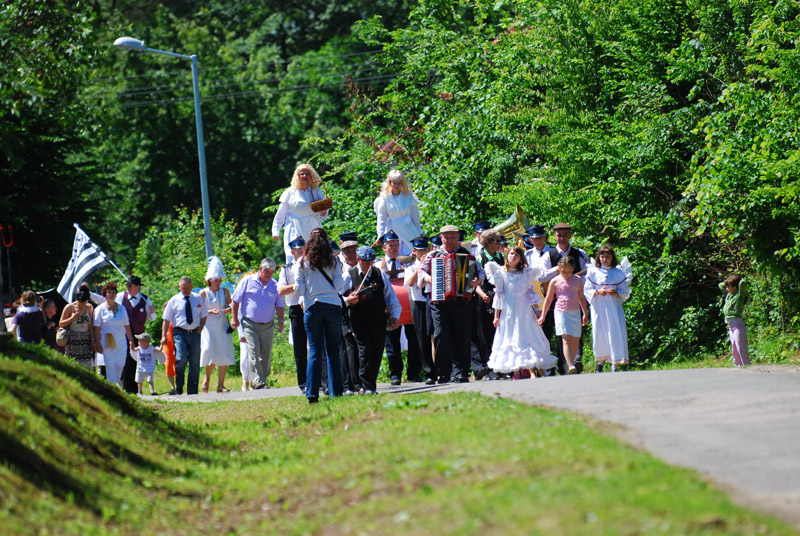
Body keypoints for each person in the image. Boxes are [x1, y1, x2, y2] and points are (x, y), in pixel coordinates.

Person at [418, 225, 484, 383]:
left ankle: (461, 372)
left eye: (453, 237)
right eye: (447, 237)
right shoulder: (434, 254)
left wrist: (477, 280)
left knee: (462, 336)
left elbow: (480, 271)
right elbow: (421, 271)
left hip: (462, 301)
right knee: (441, 336)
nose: (450, 240)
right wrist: (429, 279)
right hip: (439, 302)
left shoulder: (465, 254)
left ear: (457, 238)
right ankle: (444, 373)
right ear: (441, 238)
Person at [486, 246, 557, 377]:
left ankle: (535, 367)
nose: (513, 256)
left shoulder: (526, 273)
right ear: (507, 256)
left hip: (524, 309)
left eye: (517, 255)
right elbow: (500, 295)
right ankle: (516, 370)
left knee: (528, 335)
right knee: (511, 336)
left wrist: (536, 309)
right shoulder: (501, 272)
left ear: (520, 259)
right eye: (511, 254)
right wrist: (496, 316)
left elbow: (530, 292)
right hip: (509, 310)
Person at [292, 228, 345, 403]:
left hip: (312, 307)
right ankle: (335, 392)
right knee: (332, 351)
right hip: (332, 306)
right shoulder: (334, 260)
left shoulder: (302, 262)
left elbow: (298, 289)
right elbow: (339, 285)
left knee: (314, 351)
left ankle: (312, 393)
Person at [344, 246, 402, 394]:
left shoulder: (379, 274)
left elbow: (390, 297)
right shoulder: (349, 275)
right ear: (358, 260)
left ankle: (371, 385)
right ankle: (365, 386)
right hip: (359, 320)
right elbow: (339, 297)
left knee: (376, 351)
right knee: (364, 352)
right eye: (365, 261)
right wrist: (349, 299)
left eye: (370, 261)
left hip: (378, 319)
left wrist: (395, 315)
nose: (368, 265)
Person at [538, 222, 588, 374]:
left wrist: (575, 280)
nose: (562, 237)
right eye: (559, 235)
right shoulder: (548, 255)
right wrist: (559, 269)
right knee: (560, 334)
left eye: (566, 234)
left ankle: (575, 361)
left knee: (575, 333)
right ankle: (563, 365)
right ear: (554, 236)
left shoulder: (580, 253)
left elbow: (587, 273)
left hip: (575, 297)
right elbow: (541, 276)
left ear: (570, 235)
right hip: (555, 299)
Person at [231, 259, 284, 390]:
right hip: (250, 323)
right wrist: (234, 319)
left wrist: (281, 321)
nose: (269, 274)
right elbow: (235, 300)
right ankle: (257, 380)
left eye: (272, 272)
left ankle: (263, 379)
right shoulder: (247, 281)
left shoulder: (275, 285)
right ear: (260, 269)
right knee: (253, 351)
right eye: (266, 271)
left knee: (265, 353)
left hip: (268, 324)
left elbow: (280, 305)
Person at [377, 230, 421, 385]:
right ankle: (395, 375)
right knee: (392, 344)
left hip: (409, 308)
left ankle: (414, 373)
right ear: (384, 248)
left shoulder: (407, 262)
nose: (394, 248)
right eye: (390, 246)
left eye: (396, 245)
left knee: (414, 341)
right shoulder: (378, 265)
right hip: (390, 310)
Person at [584, 245, 631, 372]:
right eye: (602, 256)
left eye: (607, 257)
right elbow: (587, 290)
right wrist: (598, 291)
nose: (604, 259)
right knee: (600, 333)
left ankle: (615, 363)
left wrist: (615, 292)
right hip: (599, 307)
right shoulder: (593, 272)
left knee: (614, 332)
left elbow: (625, 291)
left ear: (612, 258)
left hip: (613, 309)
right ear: (599, 257)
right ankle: (600, 362)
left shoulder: (618, 273)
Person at [271, 163, 329, 261]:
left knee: (315, 254)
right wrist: (276, 230)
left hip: (312, 225)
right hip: (295, 226)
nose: (304, 176)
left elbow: (324, 213)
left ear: (311, 176)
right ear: (297, 176)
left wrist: (323, 211)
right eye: (302, 174)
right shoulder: (290, 192)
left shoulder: (317, 191)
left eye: (307, 174)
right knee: (294, 255)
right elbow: (281, 213)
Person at [161, 277, 207, 395]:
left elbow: (204, 315)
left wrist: (201, 326)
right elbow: (166, 319)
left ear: (191, 287)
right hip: (179, 333)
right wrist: (164, 336)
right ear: (179, 287)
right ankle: (179, 385)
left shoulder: (197, 298)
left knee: (194, 362)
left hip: (195, 333)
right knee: (180, 359)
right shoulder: (174, 300)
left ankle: (192, 391)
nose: (186, 290)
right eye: (183, 287)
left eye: (188, 287)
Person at [471, 229, 505, 380]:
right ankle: (490, 369)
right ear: (489, 243)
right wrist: (483, 294)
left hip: (501, 299)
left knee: (501, 333)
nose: (500, 243)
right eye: (497, 241)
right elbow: (474, 281)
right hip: (485, 299)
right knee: (486, 334)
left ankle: (502, 367)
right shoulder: (479, 258)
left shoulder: (502, 257)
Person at [277, 238, 309, 393]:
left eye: (304, 249)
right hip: (296, 309)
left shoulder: (310, 266)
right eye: (299, 250)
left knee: (316, 345)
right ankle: (303, 382)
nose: (302, 252)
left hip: (311, 306)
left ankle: (321, 379)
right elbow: (281, 291)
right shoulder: (287, 269)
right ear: (292, 252)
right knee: (300, 348)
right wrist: (297, 286)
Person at [200, 257, 236, 393]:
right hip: (209, 326)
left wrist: (229, 309)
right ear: (209, 280)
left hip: (222, 325)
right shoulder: (203, 293)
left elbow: (231, 304)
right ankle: (207, 377)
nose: (218, 282)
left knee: (224, 352)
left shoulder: (224, 291)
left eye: (220, 280)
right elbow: (198, 310)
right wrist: (209, 311)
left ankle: (221, 384)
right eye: (216, 280)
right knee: (210, 350)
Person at [524, 224, 557, 374]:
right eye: (535, 238)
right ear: (530, 239)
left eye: (541, 238)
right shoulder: (527, 256)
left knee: (554, 331)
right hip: (535, 298)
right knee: (539, 333)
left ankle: (557, 364)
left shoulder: (552, 252)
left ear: (545, 237)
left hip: (554, 294)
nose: (538, 241)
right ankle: (541, 366)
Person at [405, 235, 436, 384]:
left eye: (425, 249)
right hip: (418, 303)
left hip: (431, 301)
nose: (423, 252)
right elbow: (410, 283)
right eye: (419, 250)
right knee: (422, 338)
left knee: (436, 336)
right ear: (414, 251)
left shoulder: (433, 263)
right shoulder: (410, 266)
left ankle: (440, 368)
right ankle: (429, 372)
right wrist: (419, 267)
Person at [118, 275, 157, 394]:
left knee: (137, 361)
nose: (127, 288)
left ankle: (135, 389)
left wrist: (152, 312)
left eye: (130, 285)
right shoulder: (121, 297)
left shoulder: (145, 299)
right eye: (127, 285)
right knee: (125, 360)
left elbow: (152, 318)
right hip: (123, 334)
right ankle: (125, 386)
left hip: (139, 335)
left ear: (137, 287)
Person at [93, 282, 135, 388]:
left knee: (120, 363)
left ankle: (115, 382)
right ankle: (112, 386)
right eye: (108, 293)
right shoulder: (100, 309)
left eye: (113, 292)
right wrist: (98, 343)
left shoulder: (122, 309)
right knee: (110, 363)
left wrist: (131, 340)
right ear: (105, 295)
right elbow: (97, 328)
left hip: (120, 338)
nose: (111, 295)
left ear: (116, 294)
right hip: (107, 338)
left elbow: (127, 325)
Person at [373, 169, 422, 255]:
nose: (396, 185)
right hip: (393, 230)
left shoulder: (408, 197)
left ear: (402, 183)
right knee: (394, 252)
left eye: (398, 183)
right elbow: (382, 219)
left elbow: (415, 216)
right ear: (390, 183)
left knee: (412, 252)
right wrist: (380, 235)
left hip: (408, 228)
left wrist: (419, 232)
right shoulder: (385, 198)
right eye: (394, 183)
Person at [337, 231, 361, 394]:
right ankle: (348, 385)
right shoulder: (338, 269)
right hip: (344, 311)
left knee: (361, 348)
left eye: (354, 250)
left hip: (362, 312)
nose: (351, 254)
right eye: (348, 251)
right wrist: (347, 300)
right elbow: (335, 292)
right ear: (342, 253)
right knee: (346, 349)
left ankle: (360, 382)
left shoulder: (364, 267)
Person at [60, 287, 95, 369]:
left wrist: (93, 339)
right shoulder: (69, 307)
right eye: (81, 303)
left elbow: (90, 325)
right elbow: (61, 323)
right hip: (73, 341)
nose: (82, 305)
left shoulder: (89, 307)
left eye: (84, 302)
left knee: (87, 365)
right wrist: (72, 318)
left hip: (86, 341)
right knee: (73, 365)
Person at [720, 274, 750, 367]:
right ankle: (738, 365)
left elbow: (743, 284)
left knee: (740, 345)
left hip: (738, 324)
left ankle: (746, 365)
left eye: (728, 287)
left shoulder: (739, 295)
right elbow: (720, 285)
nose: (726, 288)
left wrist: (738, 281)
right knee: (734, 347)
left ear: (735, 288)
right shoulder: (729, 295)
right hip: (731, 325)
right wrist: (728, 282)